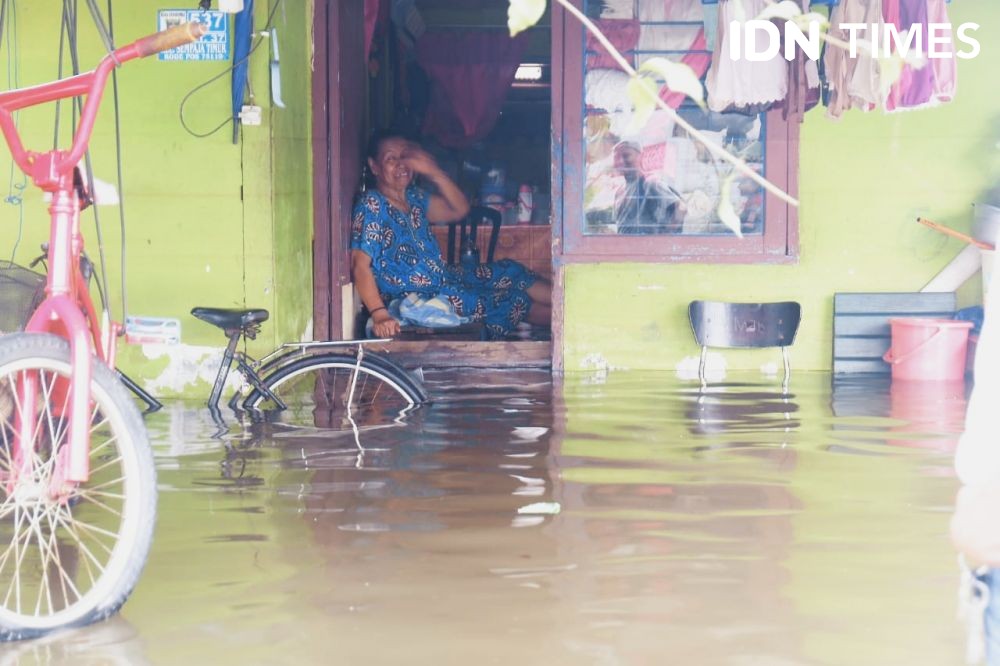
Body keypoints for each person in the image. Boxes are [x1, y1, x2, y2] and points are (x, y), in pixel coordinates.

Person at [350, 131, 552, 340]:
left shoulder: (414, 197)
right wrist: (379, 313)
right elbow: (360, 264)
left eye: (406, 157)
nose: (401, 165)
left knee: (511, 270)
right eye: (391, 159)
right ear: (374, 166)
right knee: (512, 299)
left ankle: (574, 304)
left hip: (446, 277)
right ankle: (574, 318)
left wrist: (434, 172)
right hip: (421, 296)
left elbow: (459, 209)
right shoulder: (372, 205)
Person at [612, 141, 685, 235]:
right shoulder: (619, 192)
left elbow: (681, 208)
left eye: (626, 156)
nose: (621, 161)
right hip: (626, 247)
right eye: (616, 158)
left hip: (645, 247)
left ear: (640, 156)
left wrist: (667, 234)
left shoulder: (650, 183)